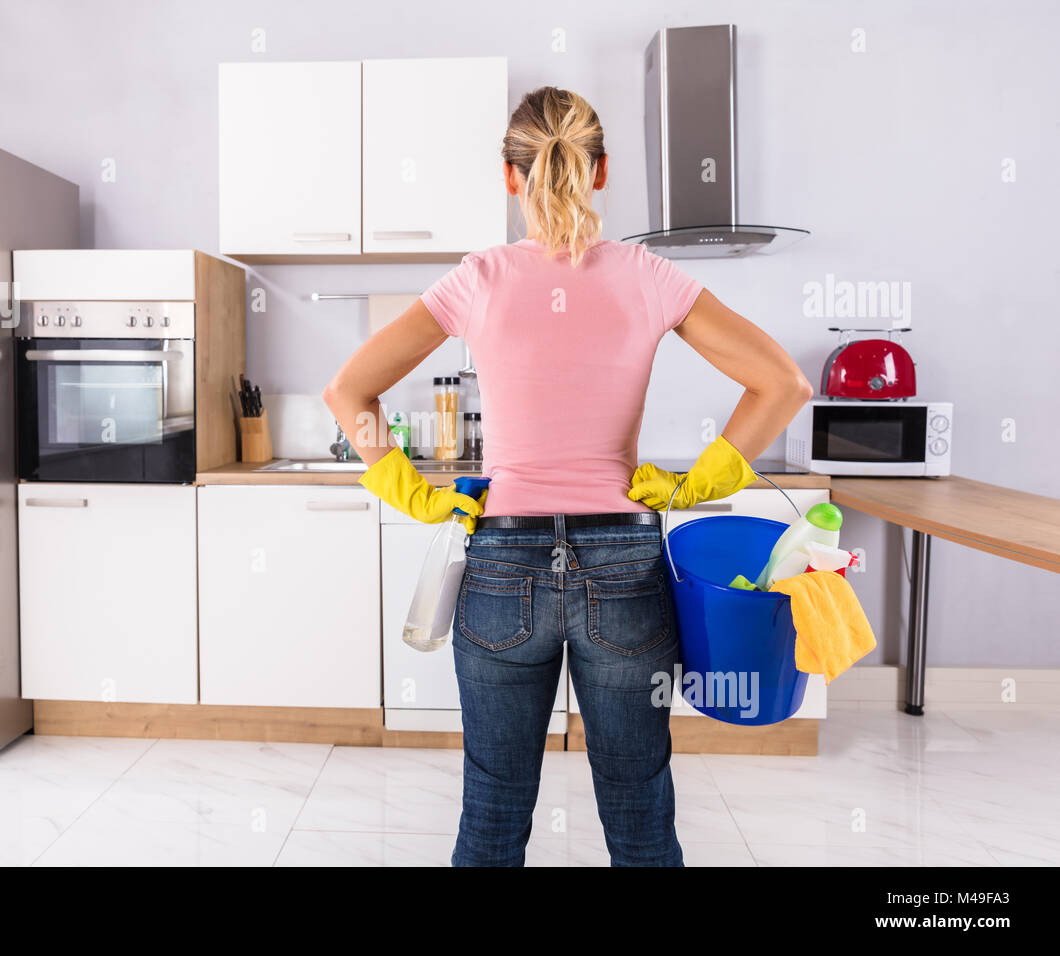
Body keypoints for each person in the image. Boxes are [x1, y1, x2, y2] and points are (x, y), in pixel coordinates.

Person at [323, 86, 813, 867]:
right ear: (603, 170)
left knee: (493, 806)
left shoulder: (476, 278)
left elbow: (347, 394)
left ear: (510, 177)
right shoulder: (648, 276)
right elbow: (783, 382)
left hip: (499, 568)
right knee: (639, 807)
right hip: (624, 567)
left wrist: (407, 489)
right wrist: (697, 483)